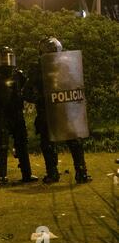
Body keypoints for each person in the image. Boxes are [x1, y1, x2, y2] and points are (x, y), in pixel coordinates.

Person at [23, 37, 92, 184]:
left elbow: (75, 84)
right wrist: (40, 98)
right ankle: (54, 173)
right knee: (48, 143)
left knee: (74, 140)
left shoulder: (66, 65)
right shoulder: (37, 68)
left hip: (65, 109)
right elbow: (27, 92)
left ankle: (81, 172)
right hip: (46, 111)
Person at [0, 47, 38, 185]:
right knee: (2, 146)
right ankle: (2, 176)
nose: (6, 61)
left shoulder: (18, 75)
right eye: (3, 57)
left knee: (22, 144)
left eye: (8, 57)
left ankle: (27, 173)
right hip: (2, 115)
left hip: (16, 114)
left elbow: (28, 88)